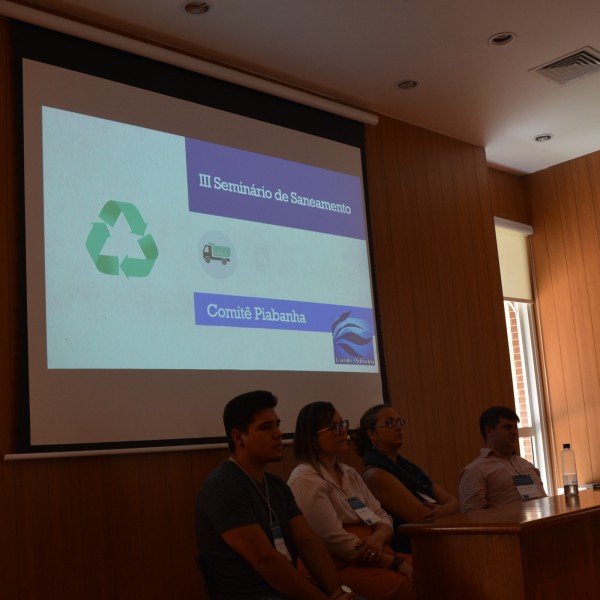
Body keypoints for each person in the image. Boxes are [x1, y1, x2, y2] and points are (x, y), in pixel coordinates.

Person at [195, 390, 355, 600]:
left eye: (277, 425)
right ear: (238, 437)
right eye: (266, 427)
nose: (278, 433)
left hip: (283, 591)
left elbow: (308, 543)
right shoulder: (222, 486)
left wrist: (337, 592)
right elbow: (265, 560)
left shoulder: (276, 485)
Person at [288, 401, 415, 600]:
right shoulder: (305, 480)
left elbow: (382, 516)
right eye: (333, 427)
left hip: (376, 551)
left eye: (343, 424)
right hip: (341, 564)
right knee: (409, 586)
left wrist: (378, 538)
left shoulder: (350, 473)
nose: (342, 431)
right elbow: (337, 543)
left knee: (436, 571)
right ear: (312, 439)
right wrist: (396, 564)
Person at [353, 404, 459, 553]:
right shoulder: (375, 474)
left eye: (399, 422)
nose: (398, 427)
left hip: (436, 539)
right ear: (372, 434)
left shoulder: (407, 467)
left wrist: (445, 509)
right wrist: (446, 509)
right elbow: (422, 517)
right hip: (412, 547)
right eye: (390, 423)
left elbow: (453, 501)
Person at [458, 405, 547, 513]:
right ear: (489, 431)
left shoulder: (527, 465)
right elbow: (473, 517)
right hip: (513, 527)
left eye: (515, 427)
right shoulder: (475, 471)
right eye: (507, 427)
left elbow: (545, 501)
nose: (514, 432)